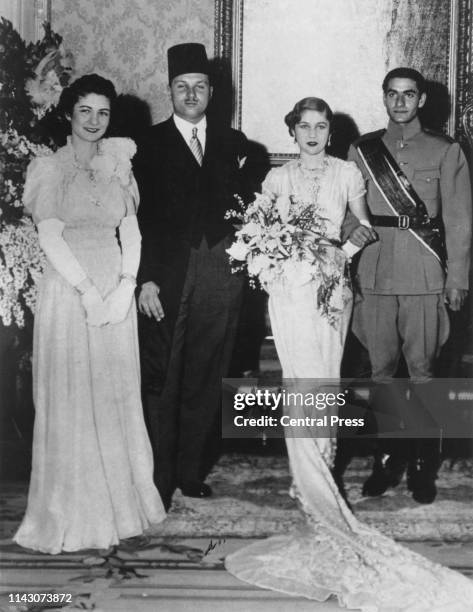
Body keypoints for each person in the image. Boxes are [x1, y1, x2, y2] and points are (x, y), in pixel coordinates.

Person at [224, 97, 473, 611]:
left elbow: (362, 227)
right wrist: (278, 254)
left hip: (332, 290)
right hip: (289, 292)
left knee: (326, 384)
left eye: (322, 126)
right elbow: (256, 235)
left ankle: (339, 474)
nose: (313, 134)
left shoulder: (347, 173)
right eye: (304, 126)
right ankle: (308, 486)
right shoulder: (276, 180)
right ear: (291, 131)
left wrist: (342, 250)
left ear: (330, 133)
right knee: (298, 384)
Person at [14, 74, 165, 554]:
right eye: (86, 112)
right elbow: (51, 236)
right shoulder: (48, 167)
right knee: (74, 395)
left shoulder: (119, 163)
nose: (95, 121)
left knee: (114, 393)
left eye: (103, 112)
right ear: (68, 114)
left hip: (114, 284)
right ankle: (73, 514)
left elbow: (132, 230)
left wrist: (125, 287)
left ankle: (120, 509)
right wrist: (87, 293)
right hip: (69, 289)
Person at [135, 43, 252, 510]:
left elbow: (249, 212)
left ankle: (191, 470)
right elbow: (134, 219)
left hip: (220, 272)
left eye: (199, 87)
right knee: (163, 374)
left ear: (212, 92)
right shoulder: (146, 145)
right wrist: (143, 279)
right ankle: (159, 476)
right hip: (166, 275)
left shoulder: (236, 145)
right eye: (181, 87)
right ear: (169, 91)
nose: (190, 94)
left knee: (208, 371)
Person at [347, 68, 472, 504]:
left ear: (421, 100)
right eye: (392, 94)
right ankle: (386, 458)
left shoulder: (446, 149)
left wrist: (457, 279)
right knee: (380, 374)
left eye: (409, 95)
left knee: (422, 373)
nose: (400, 102)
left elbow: (458, 221)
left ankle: (421, 463)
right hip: (376, 272)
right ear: (383, 98)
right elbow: (349, 209)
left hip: (424, 275)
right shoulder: (362, 150)